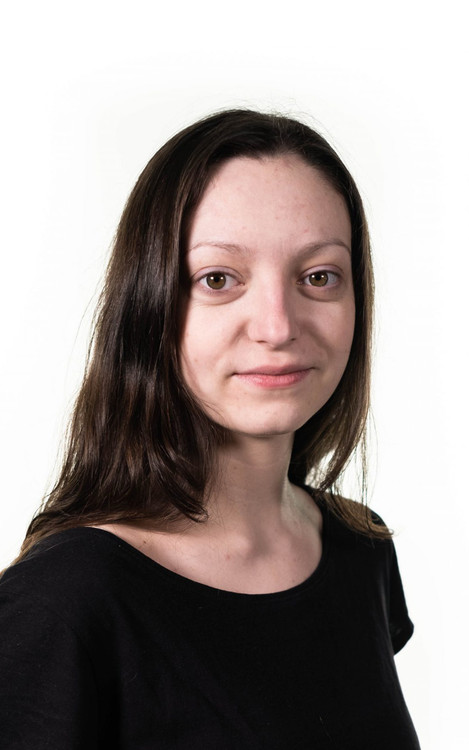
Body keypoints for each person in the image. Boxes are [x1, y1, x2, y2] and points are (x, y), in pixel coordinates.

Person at [0, 109, 420, 748]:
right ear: (149, 306)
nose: (277, 326)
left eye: (319, 276)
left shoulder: (360, 551)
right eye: (218, 279)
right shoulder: (63, 604)